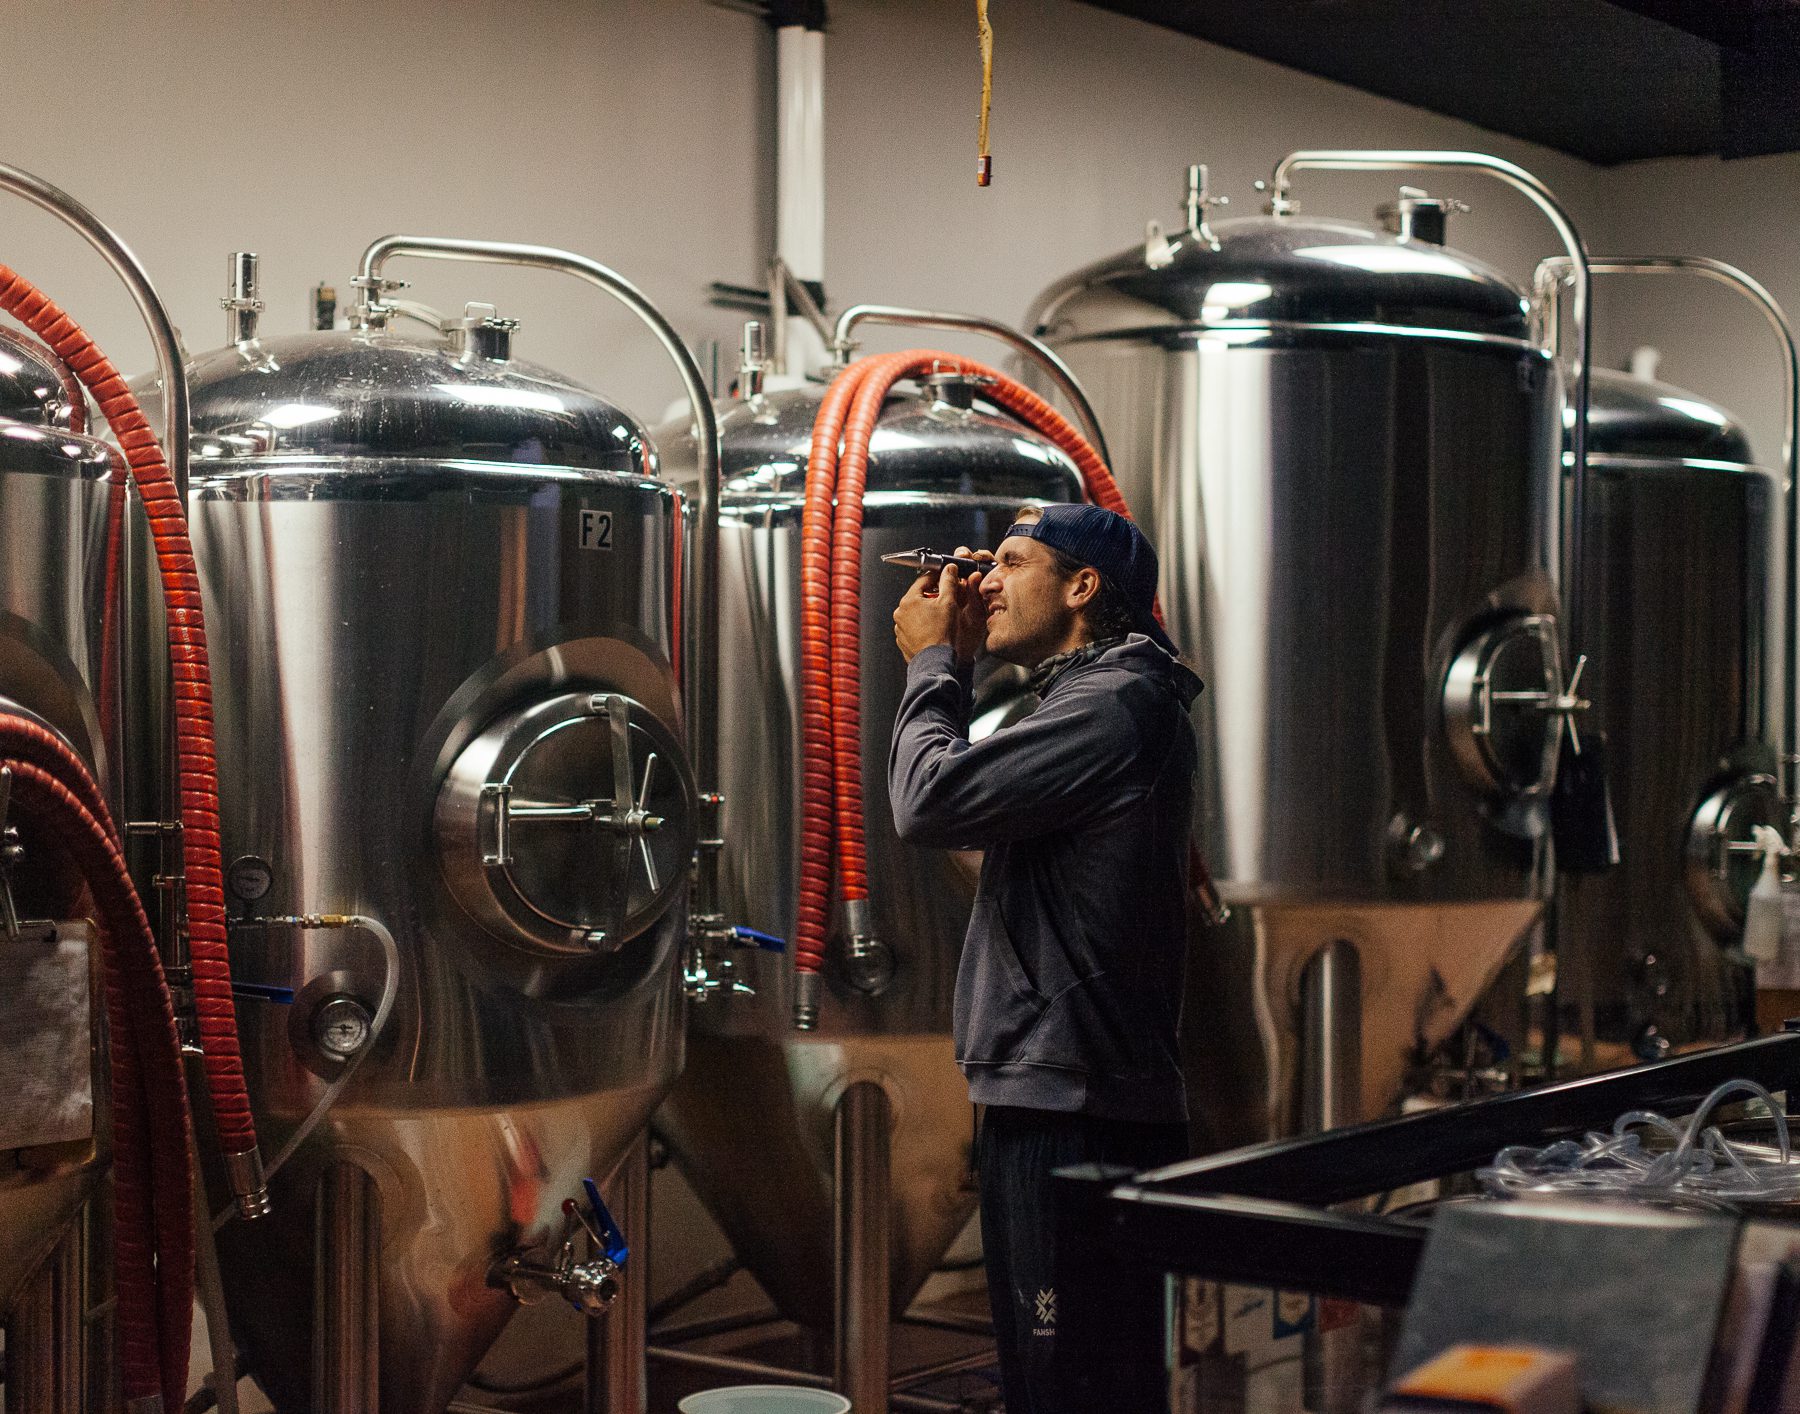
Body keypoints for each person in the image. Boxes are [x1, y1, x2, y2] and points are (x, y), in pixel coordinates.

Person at [888, 502, 1201, 1414]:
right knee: (1060, 1383)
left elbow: (927, 801)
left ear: (1081, 587)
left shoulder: (1116, 702)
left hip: (1075, 1101)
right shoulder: (1091, 698)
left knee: (1067, 1390)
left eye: (1011, 563)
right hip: (1058, 1089)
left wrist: (930, 665)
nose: (983, 580)